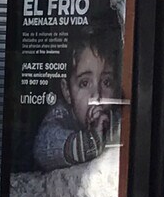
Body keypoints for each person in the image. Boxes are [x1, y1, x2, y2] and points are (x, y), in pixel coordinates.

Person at [33, 24, 121, 172]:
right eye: (85, 83)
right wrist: (89, 142)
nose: (97, 95)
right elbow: (42, 146)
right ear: (67, 91)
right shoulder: (62, 114)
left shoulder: (114, 116)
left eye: (106, 82)